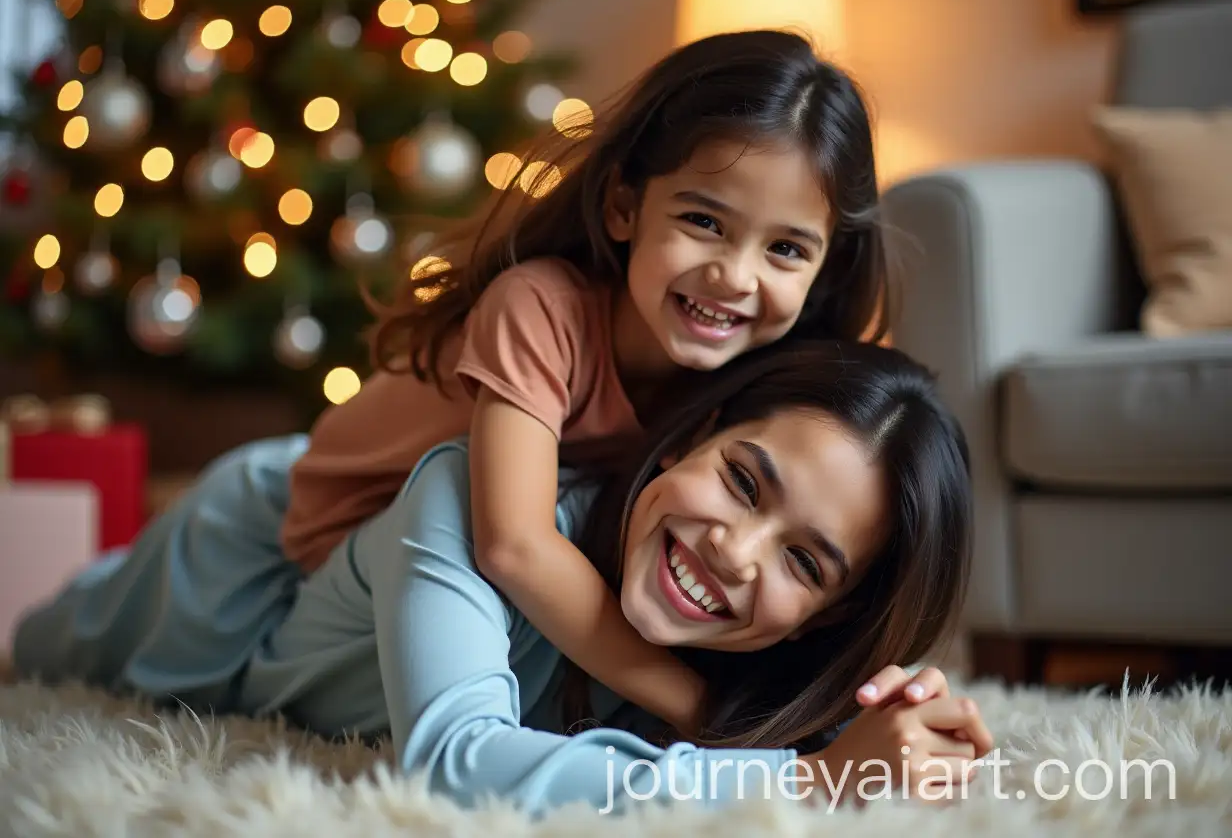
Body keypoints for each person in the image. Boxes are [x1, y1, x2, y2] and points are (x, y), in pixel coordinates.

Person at [9, 29, 892, 739]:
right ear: (624, 207)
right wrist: (709, 715)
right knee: (71, 658)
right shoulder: (540, 308)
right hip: (267, 538)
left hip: (388, 578)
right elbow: (514, 547)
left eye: (786, 249)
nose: (736, 277)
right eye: (704, 221)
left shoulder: (764, 388)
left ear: (826, 265)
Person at [12, 341, 991, 816]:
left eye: (803, 561)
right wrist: (814, 779)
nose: (736, 552)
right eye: (741, 481)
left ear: (824, 619)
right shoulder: (468, 495)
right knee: (37, 645)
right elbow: (454, 759)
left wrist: (885, 730)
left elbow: (841, 733)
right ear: (686, 438)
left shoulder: (742, 656)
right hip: (235, 569)